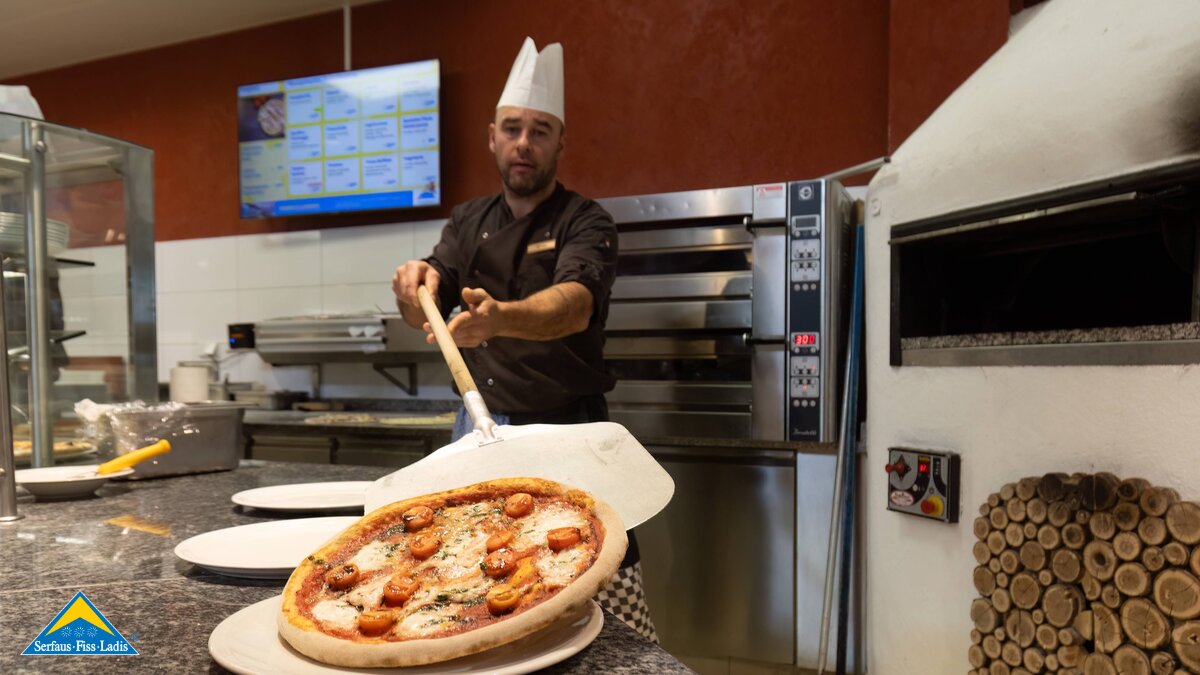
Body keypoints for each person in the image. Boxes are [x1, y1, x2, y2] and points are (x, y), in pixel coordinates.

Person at [391, 37, 656, 642]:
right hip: (479, 430)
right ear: (492, 137)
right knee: (472, 580)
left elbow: (575, 305)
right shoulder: (467, 221)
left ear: (561, 143)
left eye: (540, 131)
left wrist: (501, 318)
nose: (524, 143)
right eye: (512, 129)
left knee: (598, 576)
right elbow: (424, 302)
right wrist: (412, 286)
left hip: (566, 429)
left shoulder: (585, 220)